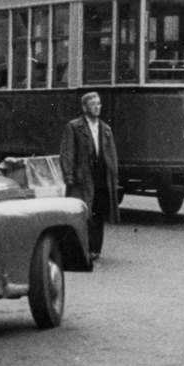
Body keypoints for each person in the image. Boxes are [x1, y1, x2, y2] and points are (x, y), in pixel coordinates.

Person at [59, 91, 119, 261]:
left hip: (101, 177)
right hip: (83, 177)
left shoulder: (105, 129)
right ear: (84, 107)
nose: (97, 107)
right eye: (93, 104)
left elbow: (112, 155)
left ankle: (95, 249)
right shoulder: (74, 127)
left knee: (98, 213)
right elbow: (67, 153)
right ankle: (83, 248)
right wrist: (69, 176)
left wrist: (114, 178)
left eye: (99, 104)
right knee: (84, 214)